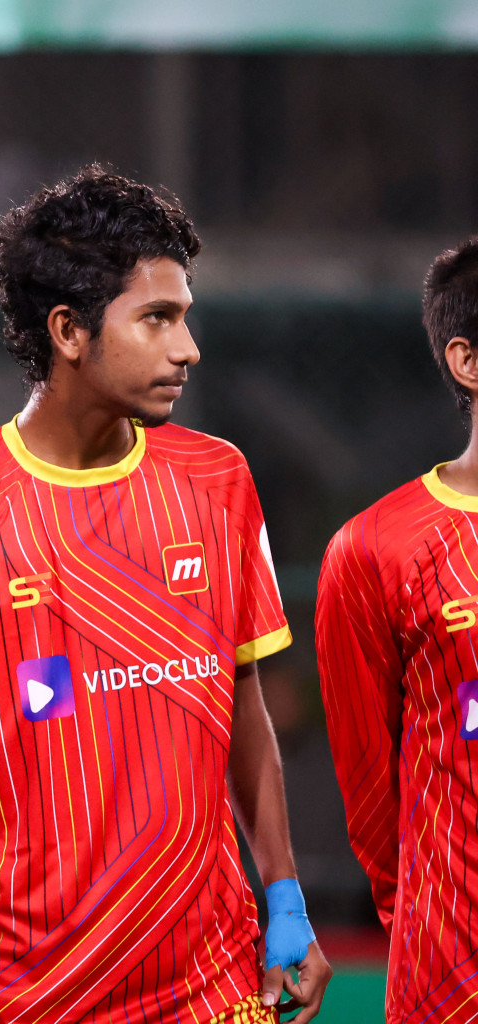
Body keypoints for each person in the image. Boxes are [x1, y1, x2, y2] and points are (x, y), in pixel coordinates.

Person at [0, 167, 330, 1023]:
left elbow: (244, 698)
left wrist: (285, 893)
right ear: (69, 332)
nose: (188, 348)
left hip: (210, 985)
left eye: (185, 316)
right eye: (157, 319)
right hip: (27, 991)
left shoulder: (219, 478)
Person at [316, 236, 478, 1023]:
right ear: (467, 362)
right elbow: (370, 792)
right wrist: (426, 912)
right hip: (448, 971)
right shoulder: (374, 548)